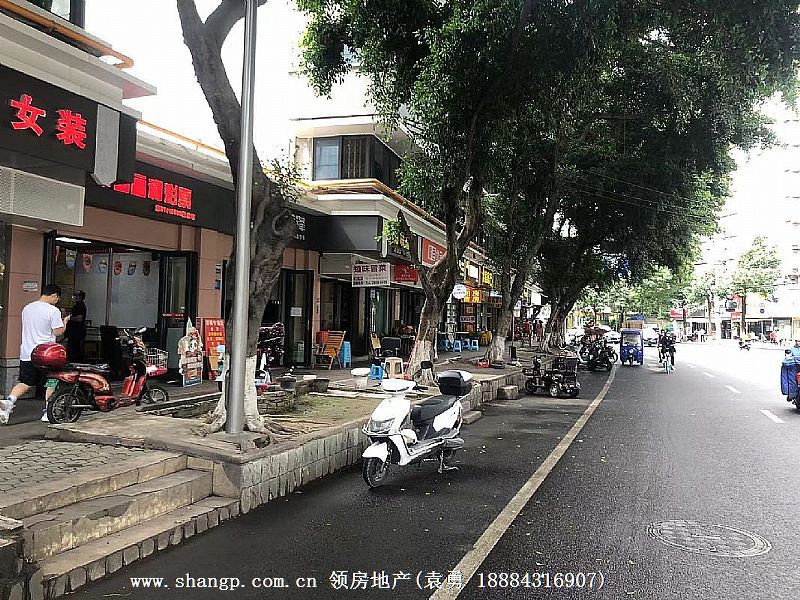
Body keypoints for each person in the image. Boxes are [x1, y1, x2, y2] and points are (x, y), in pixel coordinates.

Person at [0, 284, 70, 424]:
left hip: (27, 352)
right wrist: (65, 322)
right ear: (54, 295)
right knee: (51, 382)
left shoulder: (27, 308)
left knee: (25, 382)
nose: (57, 301)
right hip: (46, 354)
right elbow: (58, 332)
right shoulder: (53, 311)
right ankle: (48, 412)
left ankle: (9, 401)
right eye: (57, 298)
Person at [65, 289, 87, 362]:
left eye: (75, 295)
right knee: (73, 349)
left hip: (76, 332)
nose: (73, 297)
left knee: (74, 351)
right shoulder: (76, 305)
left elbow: (79, 318)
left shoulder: (80, 306)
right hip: (74, 332)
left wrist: (68, 318)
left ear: (80, 297)